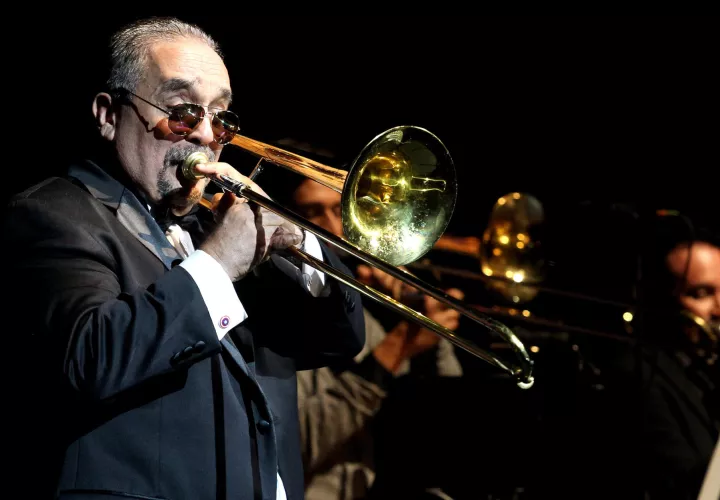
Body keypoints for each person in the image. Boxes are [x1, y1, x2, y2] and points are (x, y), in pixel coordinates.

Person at [2, 17, 365, 500]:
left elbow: (338, 340)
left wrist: (300, 242)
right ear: (108, 115)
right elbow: (89, 360)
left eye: (222, 118)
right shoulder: (53, 213)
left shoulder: (214, 228)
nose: (206, 135)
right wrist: (217, 265)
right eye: (182, 112)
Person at [271, 163, 466, 500]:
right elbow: (293, 445)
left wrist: (425, 322)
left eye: (339, 211)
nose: (335, 228)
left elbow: (447, 415)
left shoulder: (369, 320)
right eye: (312, 213)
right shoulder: (274, 319)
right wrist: (398, 345)